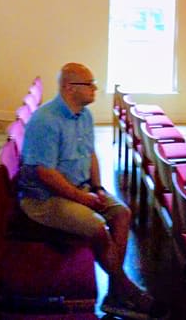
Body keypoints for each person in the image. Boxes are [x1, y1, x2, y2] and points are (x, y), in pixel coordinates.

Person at [18, 63, 160, 319]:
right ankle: (124, 288)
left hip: (80, 188)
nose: (95, 88)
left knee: (122, 214)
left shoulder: (84, 115)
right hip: (43, 200)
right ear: (70, 88)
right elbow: (45, 174)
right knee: (96, 227)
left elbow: (90, 154)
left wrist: (97, 188)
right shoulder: (45, 120)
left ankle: (115, 294)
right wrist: (83, 198)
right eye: (90, 84)